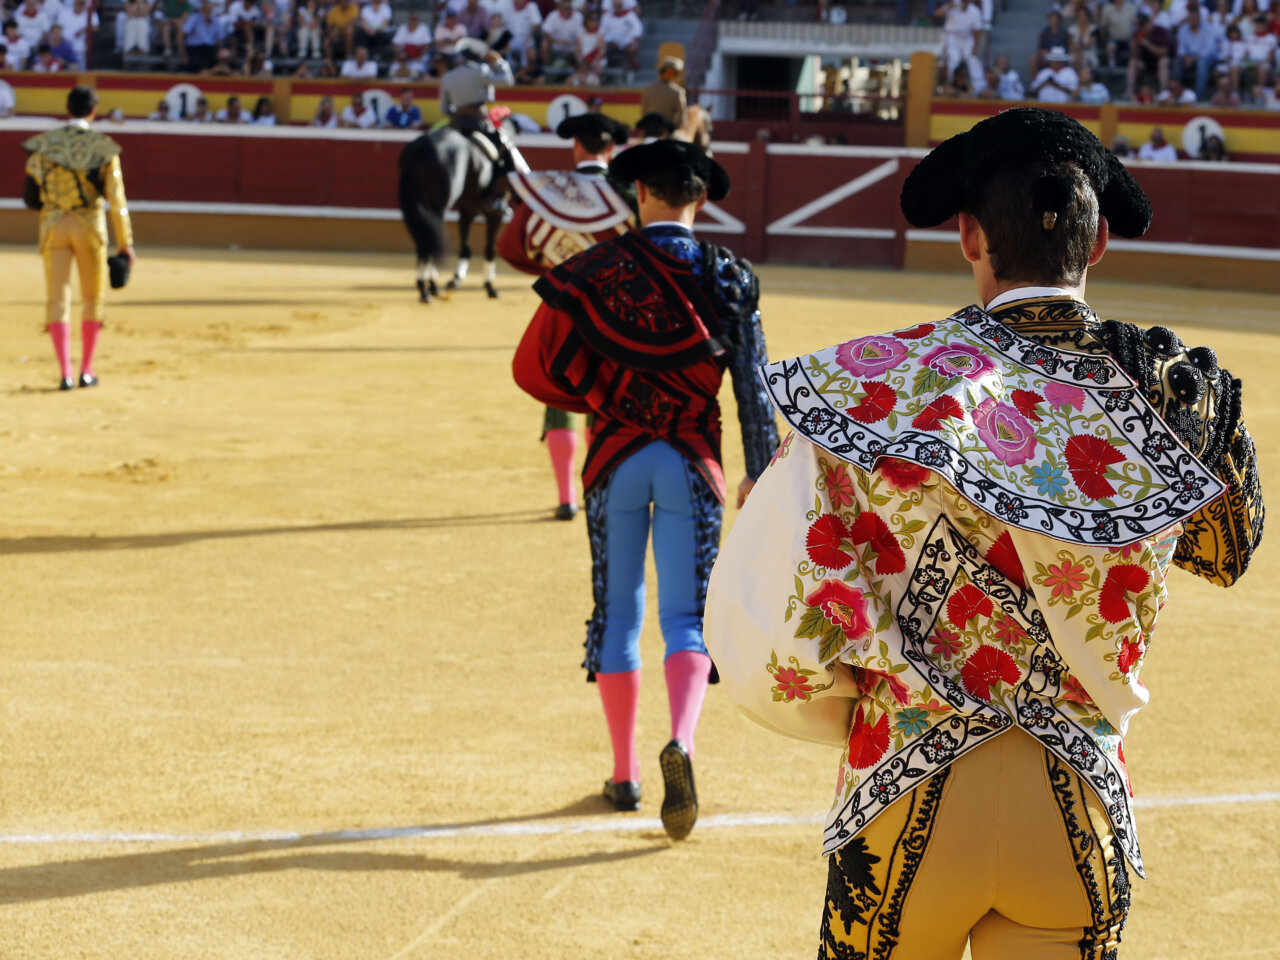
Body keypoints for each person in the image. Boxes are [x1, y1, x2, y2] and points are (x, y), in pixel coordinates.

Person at [702, 106, 1264, 959]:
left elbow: (773, 619)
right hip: (1078, 802)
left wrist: (857, 705)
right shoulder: (1172, 389)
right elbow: (1228, 552)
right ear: (1100, 242)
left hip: (902, 785)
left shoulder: (870, 386)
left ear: (968, 235)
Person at [513, 139, 780, 840]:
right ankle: (683, 744)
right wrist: (758, 468)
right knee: (687, 619)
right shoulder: (728, 275)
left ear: (639, 195)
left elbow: (535, 364)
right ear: (701, 199)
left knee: (617, 615)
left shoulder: (596, 267)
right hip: (692, 459)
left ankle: (625, 773)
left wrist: (598, 394)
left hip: (614, 457)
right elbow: (753, 384)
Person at [498, 112, 637, 520]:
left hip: (561, 311)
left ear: (576, 147)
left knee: (559, 402)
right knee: (604, 400)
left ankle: (565, 498)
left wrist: (547, 270)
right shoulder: (629, 195)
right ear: (611, 149)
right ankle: (598, 489)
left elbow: (510, 246)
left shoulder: (550, 193)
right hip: (615, 314)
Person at [22, 86, 136, 391]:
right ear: (94, 111)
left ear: (67, 109)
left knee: (58, 300)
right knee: (92, 299)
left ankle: (65, 373)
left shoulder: (44, 146)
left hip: (53, 226)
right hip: (89, 226)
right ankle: (87, 370)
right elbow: (117, 200)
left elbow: (30, 196)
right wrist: (125, 244)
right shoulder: (103, 148)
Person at [440, 37, 528, 173]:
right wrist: (499, 62)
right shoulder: (480, 70)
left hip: (456, 121)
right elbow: (508, 81)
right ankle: (513, 177)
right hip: (477, 120)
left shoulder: (447, 77)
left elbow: (444, 109)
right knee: (503, 144)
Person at [640, 56, 687, 130]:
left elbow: (644, 111)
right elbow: (682, 116)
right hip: (667, 131)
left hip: (649, 129)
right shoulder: (678, 92)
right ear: (675, 74)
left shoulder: (649, 89)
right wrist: (675, 128)